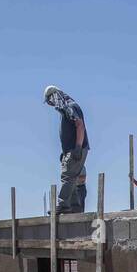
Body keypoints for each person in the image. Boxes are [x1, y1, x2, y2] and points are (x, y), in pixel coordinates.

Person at [44, 86, 90, 214]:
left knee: (67, 176)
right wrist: (64, 152)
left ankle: (63, 204)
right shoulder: (66, 108)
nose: (51, 104)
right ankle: (74, 207)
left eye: (50, 101)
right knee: (72, 177)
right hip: (72, 149)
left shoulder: (69, 107)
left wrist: (78, 147)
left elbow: (79, 125)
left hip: (76, 149)